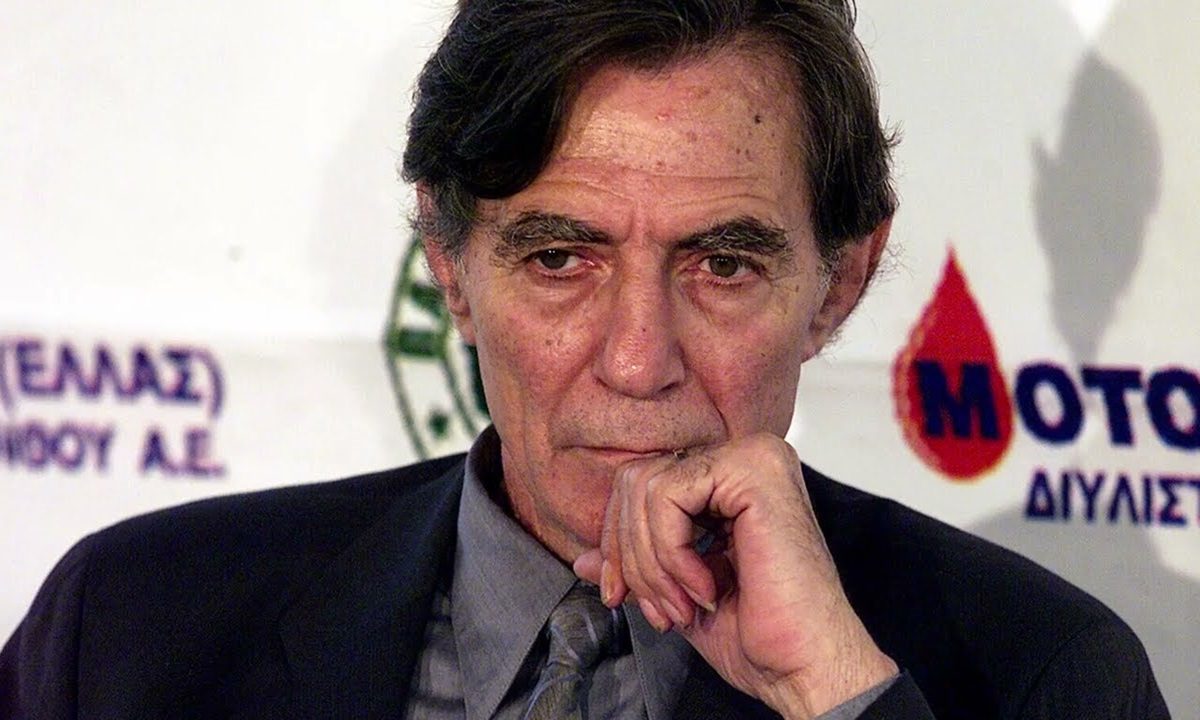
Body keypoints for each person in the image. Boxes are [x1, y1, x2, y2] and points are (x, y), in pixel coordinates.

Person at [0, 1, 1170, 718]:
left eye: (723, 264)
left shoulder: (1046, 677)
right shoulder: (131, 632)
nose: (637, 360)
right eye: (561, 258)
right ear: (450, 265)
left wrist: (833, 697)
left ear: (840, 285)